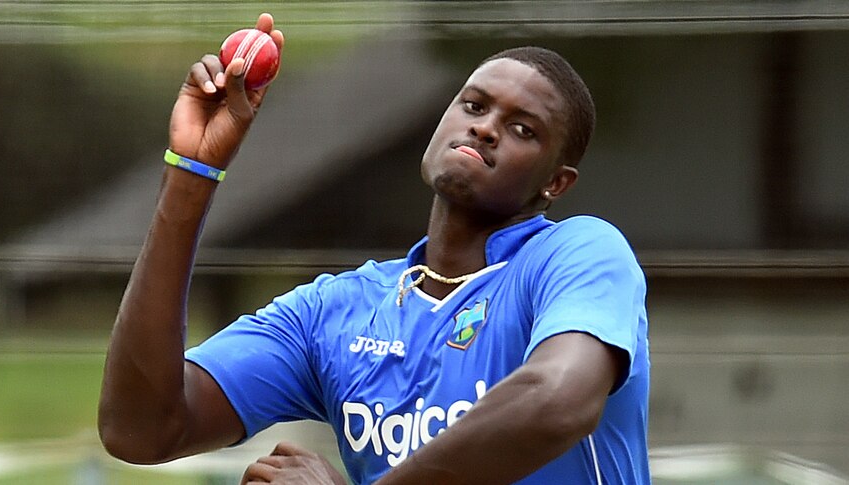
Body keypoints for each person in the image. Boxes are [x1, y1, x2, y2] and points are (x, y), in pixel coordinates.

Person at [98, 12, 650, 485]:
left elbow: (556, 400)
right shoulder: (335, 311)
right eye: (474, 106)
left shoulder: (580, 253)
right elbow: (142, 427)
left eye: (523, 129)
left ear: (556, 183)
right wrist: (193, 173)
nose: (485, 129)